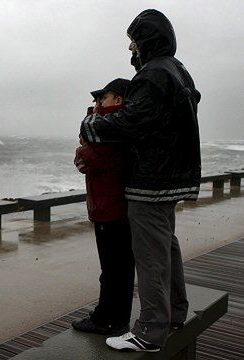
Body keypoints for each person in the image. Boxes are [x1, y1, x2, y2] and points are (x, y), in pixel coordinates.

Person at [80, 9, 201, 352]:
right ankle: (175, 312)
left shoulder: (152, 75)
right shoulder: (178, 71)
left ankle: (149, 330)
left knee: (149, 254)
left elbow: (133, 121)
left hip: (149, 180)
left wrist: (93, 126)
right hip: (172, 176)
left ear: (146, 39)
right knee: (168, 247)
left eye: (133, 41)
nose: (131, 49)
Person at [72, 78, 135, 335]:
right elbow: (88, 156)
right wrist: (85, 148)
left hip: (112, 207)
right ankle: (111, 316)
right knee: (116, 266)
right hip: (112, 205)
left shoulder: (114, 126)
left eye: (103, 97)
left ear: (118, 100)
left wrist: (83, 148)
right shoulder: (115, 123)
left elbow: (92, 159)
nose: (97, 102)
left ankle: (108, 320)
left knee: (113, 268)